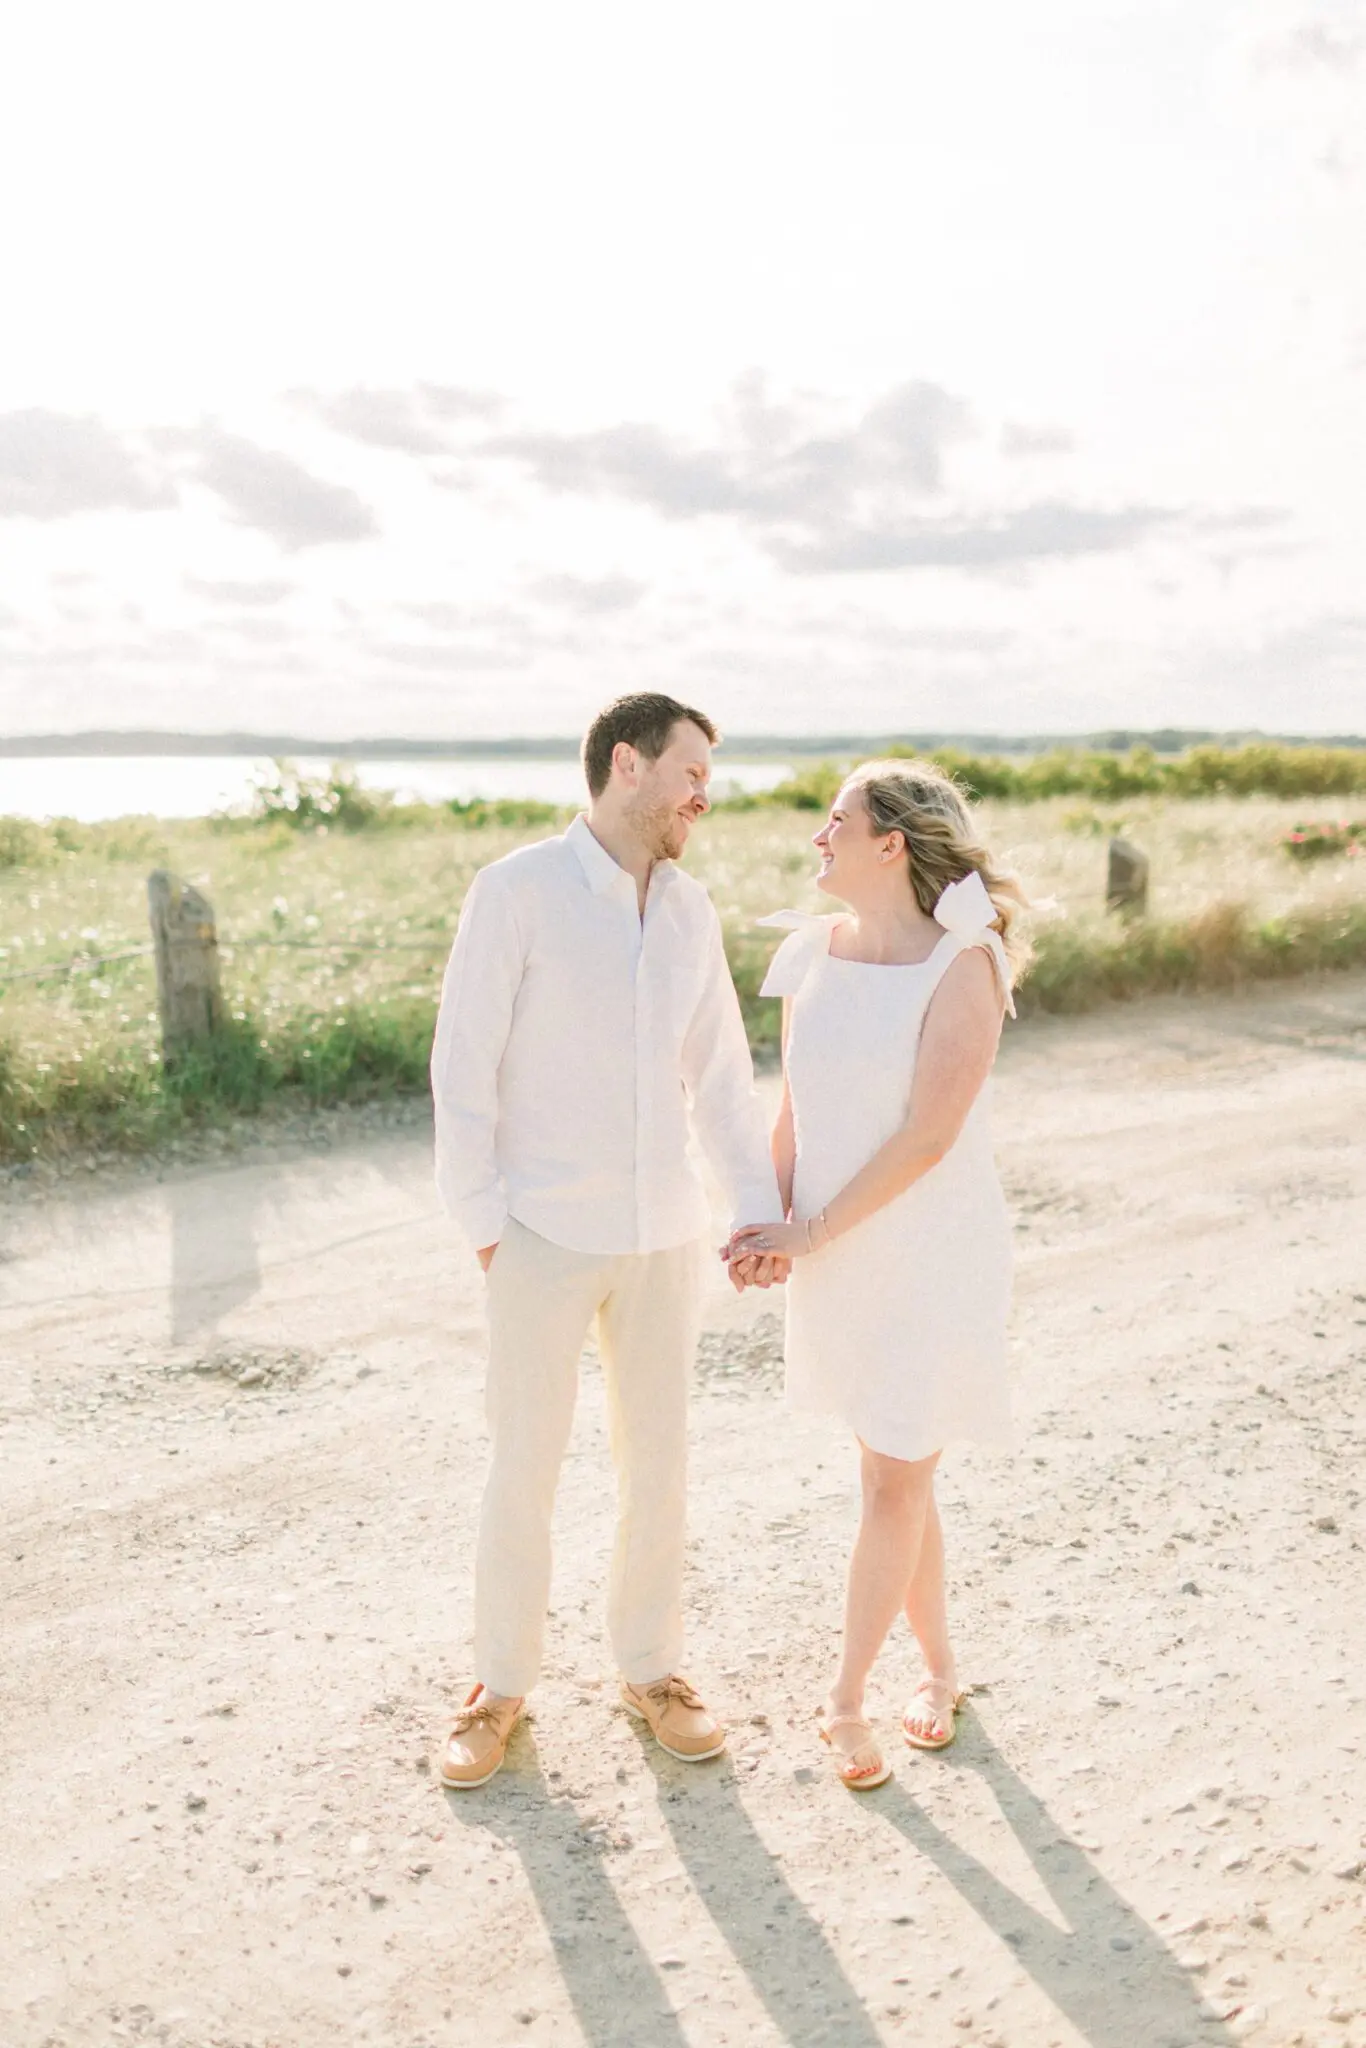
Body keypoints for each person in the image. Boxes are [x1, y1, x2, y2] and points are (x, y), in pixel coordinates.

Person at [431, 692, 787, 1789]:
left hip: (662, 1235)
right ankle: (499, 1687)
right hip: (539, 1229)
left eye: (708, 782)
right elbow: (463, 1066)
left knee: (660, 1463)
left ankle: (653, 1669)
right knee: (522, 1466)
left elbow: (722, 1078)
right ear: (626, 765)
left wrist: (750, 1205)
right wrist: (487, 1223)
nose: (701, 796)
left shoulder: (689, 909)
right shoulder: (519, 890)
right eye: (690, 773)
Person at [726, 758, 1028, 1789]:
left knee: (896, 1472)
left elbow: (928, 1135)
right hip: (832, 1249)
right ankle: (941, 1669)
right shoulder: (810, 953)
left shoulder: (965, 962)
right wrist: (764, 1224)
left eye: (835, 820)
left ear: (889, 843)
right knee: (894, 1470)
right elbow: (792, 1111)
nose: (818, 837)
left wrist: (808, 1229)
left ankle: (845, 1700)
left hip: (928, 1252)